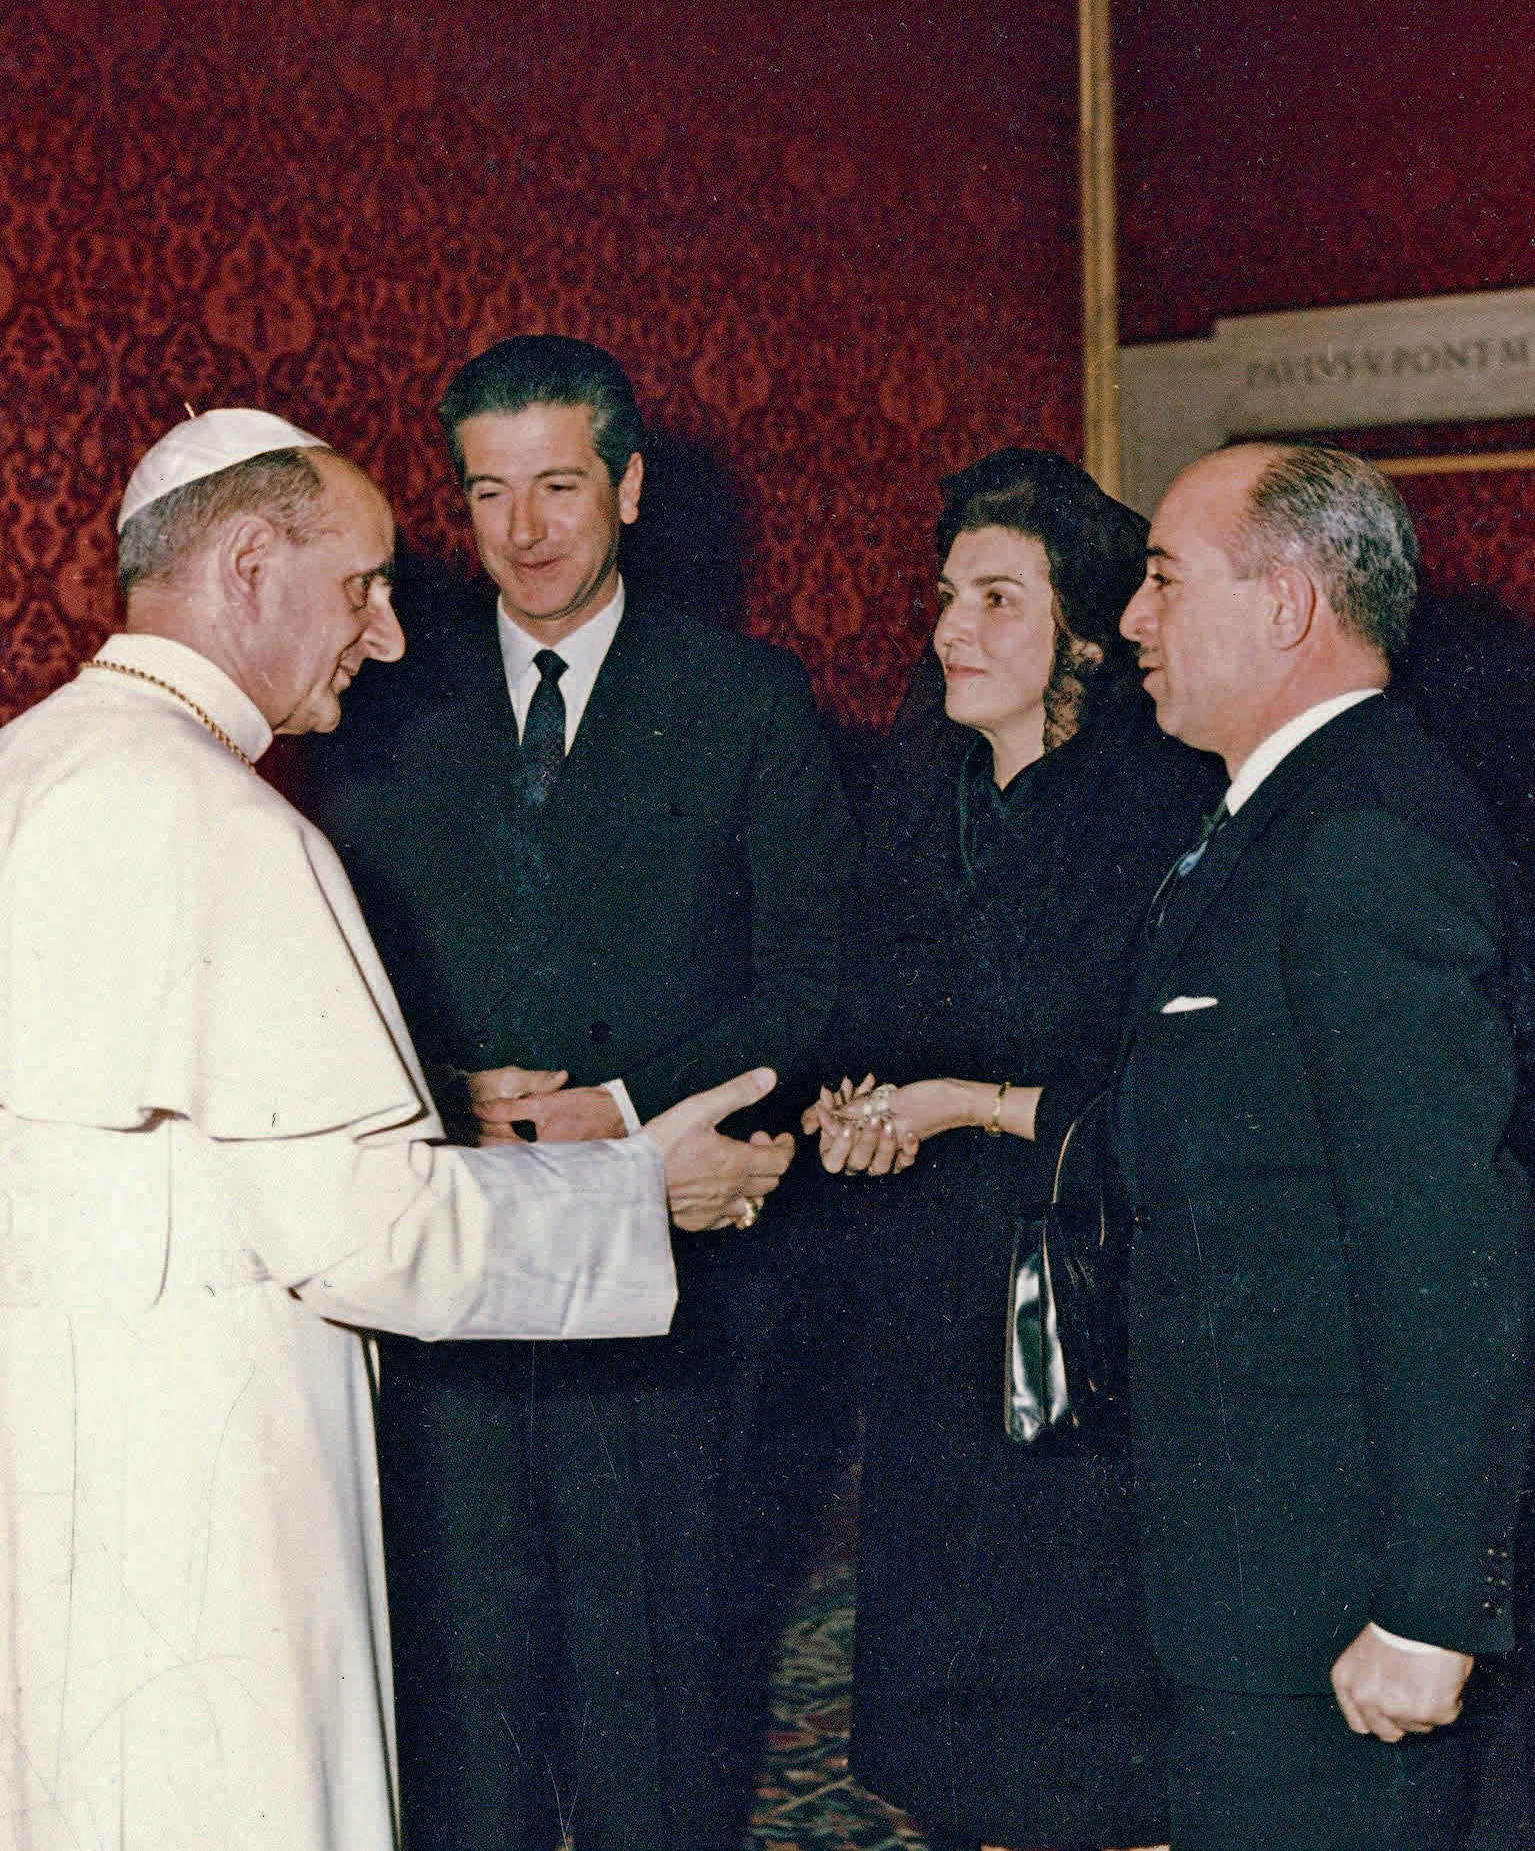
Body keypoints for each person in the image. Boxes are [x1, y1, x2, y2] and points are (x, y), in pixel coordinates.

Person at [0, 407, 793, 1851]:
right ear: (248, 564)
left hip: (55, 1469)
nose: (390, 636)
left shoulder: (32, 766)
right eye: (362, 585)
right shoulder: (230, 826)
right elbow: (367, 1239)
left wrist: (426, 1097)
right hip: (208, 1504)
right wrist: (637, 1193)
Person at [308, 336, 857, 1851]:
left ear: (626, 484)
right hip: (460, 1272)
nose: (527, 529)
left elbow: (812, 976)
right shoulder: (389, 702)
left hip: (668, 1290)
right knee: (465, 1696)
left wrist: (616, 1109)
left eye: (559, 484)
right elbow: (341, 969)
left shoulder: (743, 698)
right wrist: (443, 1094)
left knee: (657, 1695)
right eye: (490, 492)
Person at [1114, 439, 1535, 1850]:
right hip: (1257, 1573)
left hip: (1337, 1606)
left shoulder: (1364, 838)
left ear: (1288, 605)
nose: (1131, 617)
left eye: (1166, 578)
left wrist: (1428, 1604)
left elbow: (1445, 1241)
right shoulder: (1275, 819)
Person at [804, 449, 1219, 1850]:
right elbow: (864, 1025)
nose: (949, 630)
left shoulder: (1159, 818)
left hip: (1085, 1310)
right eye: (944, 596)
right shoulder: (919, 806)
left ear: (1084, 640)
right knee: (957, 1727)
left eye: (997, 599)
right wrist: (850, 1109)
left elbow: (1151, 1100)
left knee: (1084, 1717)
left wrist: (958, 1103)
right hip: (934, 1302)